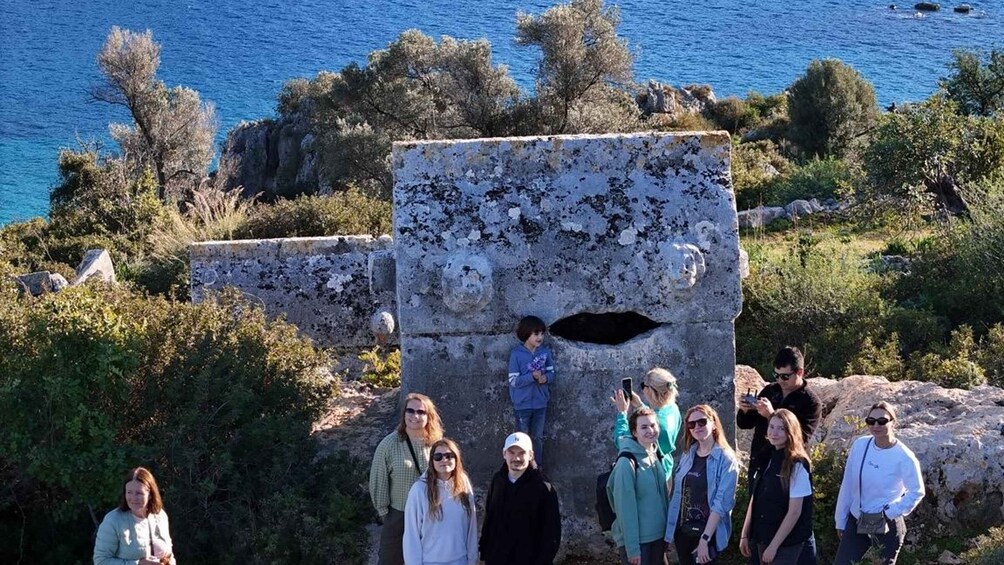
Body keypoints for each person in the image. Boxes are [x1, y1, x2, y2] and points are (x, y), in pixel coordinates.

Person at [737, 346, 821, 565]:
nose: (780, 380)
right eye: (776, 375)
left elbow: (800, 436)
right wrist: (746, 409)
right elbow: (744, 424)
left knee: (793, 520)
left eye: (785, 376)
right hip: (762, 462)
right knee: (762, 511)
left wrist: (772, 414)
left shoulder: (810, 402)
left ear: (799, 372)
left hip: (787, 465)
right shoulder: (770, 390)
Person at [833, 402, 925, 565]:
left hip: (885, 523)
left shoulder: (904, 456)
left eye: (882, 421)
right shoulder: (860, 445)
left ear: (892, 422)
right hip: (857, 519)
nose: (876, 425)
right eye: (871, 421)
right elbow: (848, 484)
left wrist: (890, 512)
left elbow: (917, 491)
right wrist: (840, 519)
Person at [370, 392, 445, 565]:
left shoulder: (438, 445)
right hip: (399, 515)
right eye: (410, 411)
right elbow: (378, 480)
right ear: (404, 414)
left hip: (430, 515)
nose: (415, 416)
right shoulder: (389, 444)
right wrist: (385, 513)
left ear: (429, 416)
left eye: (421, 412)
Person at [665, 405, 740, 565]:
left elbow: (722, 503)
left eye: (702, 422)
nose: (697, 427)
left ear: (713, 424)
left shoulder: (726, 459)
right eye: (692, 424)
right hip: (683, 532)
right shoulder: (688, 455)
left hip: (708, 534)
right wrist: (669, 533)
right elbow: (677, 495)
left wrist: (705, 539)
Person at [740, 409, 814, 565]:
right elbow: (756, 497)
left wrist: (774, 546)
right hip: (762, 537)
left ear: (791, 432)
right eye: (771, 427)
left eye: (781, 428)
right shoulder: (766, 456)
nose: (774, 432)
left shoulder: (797, 464)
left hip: (787, 544)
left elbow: (795, 512)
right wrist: (745, 534)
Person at [479, 432, 561, 565]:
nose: (516, 458)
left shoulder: (543, 487)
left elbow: (551, 534)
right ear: (504, 453)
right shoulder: (497, 481)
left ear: (531, 455)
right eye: (511, 452)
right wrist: (484, 554)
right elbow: (489, 519)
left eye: (521, 453)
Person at [607, 407, 669, 565]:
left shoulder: (654, 454)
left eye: (653, 425)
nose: (650, 430)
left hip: (658, 538)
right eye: (644, 427)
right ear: (634, 432)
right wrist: (633, 549)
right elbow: (625, 508)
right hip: (639, 543)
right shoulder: (626, 463)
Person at [403, 438, 478, 565]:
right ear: (432, 460)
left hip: (460, 561)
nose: (444, 460)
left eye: (449, 456)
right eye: (438, 456)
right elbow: (411, 535)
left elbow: (472, 527)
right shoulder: (419, 490)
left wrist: (472, 559)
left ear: (456, 459)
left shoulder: (463, 483)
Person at [610, 367, 683, 481]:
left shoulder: (652, 424)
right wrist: (640, 406)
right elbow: (656, 416)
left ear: (651, 391)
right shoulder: (673, 409)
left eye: (643, 385)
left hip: (648, 475)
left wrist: (622, 413)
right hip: (665, 468)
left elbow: (622, 441)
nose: (642, 389)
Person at [93, 467, 175, 565]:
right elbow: (101, 561)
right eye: (129, 492)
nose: (133, 498)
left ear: (150, 494)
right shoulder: (113, 521)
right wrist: (138, 563)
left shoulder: (160, 516)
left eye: (139, 493)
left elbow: (170, 554)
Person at [507, 315, 555, 465]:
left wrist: (545, 378)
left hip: (540, 403)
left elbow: (552, 373)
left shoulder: (545, 353)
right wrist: (531, 377)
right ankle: (523, 467)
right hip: (522, 404)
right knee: (521, 438)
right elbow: (513, 380)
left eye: (542, 333)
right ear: (526, 334)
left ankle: (537, 468)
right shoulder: (516, 354)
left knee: (538, 438)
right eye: (536, 334)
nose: (540, 337)